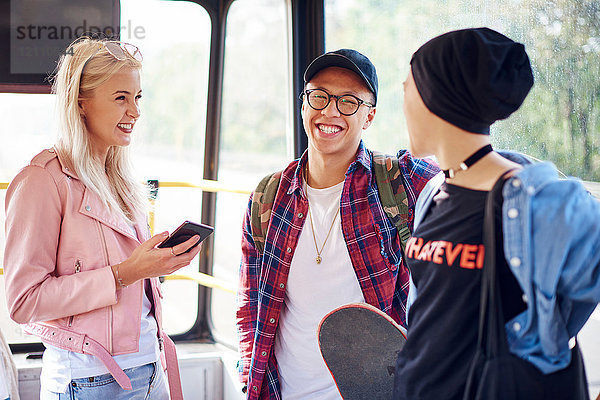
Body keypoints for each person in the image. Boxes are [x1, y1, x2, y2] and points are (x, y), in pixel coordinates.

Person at [393, 27, 600, 400]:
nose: (403, 98)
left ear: (434, 96)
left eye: (408, 86)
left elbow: (576, 302)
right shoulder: (433, 192)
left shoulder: (543, 202)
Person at [3, 37, 202, 399]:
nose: (136, 111)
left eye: (138, 97)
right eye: (121, 98)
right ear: (81, 103)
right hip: (89, 380)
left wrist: (156, 265)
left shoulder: (121, 179)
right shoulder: (41, 181)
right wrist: (126, 273)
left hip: (150, 368)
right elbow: (23, 301)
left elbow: (126, 280)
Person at [236, 49, 440, 399]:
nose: (329, 111)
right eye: (319, 96)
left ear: (369, 116)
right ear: (303, 104)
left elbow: (472, 176)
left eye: (348, 102)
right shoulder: (268, 197)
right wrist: (247, 375)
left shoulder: (400, 181)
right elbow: (250, 304)